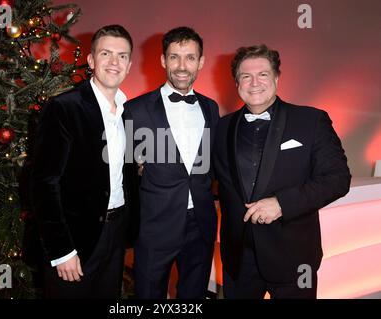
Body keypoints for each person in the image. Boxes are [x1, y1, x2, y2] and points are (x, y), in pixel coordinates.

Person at [213, 44, 351, 298]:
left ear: (276, 78)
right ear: (237, 83)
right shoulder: (221, 128)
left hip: (294, 258)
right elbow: (213, 181)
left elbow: (338, 179)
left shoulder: (311, 121)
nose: (254, 82)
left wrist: (281, 204)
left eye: (263, 74)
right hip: (238, 260)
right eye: (246, 76)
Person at [30, 24, 138, 298]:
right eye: (106, 54)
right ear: (91, 60)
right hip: (74, 238)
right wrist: (61, 250)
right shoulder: (64, 107)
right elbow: (43, 183)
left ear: (129, 65)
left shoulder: (128, 113)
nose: (114, 62)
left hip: (115, 234)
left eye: (122, 56)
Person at [124, 26, 219, 299]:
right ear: (163, 60)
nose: (181, 66)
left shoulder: (211, 107)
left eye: (190, 57)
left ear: (200, 62)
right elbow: (124, 167)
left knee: (194, 295)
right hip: (155, 225)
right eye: (174, 57)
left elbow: (210, 162)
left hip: (200, 223)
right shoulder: (136, 109)